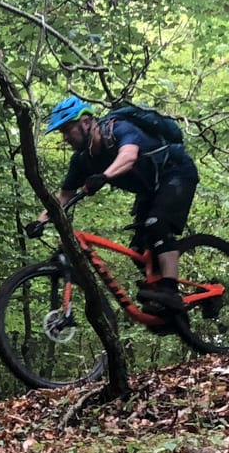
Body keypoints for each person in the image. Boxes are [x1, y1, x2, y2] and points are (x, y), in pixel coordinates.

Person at [30, 95, 199, 311]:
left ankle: (170, 291)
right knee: (139, 249)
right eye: (61, 132)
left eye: (67, 129)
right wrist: (40, 221)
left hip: (177, 173)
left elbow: (128, 156)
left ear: (86, 122)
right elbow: (64, 196)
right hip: (149, 191)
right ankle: (163, 305)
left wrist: (104, 176)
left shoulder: (117, 128)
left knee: (158, 225)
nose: (65, 137)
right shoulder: (82, 160)